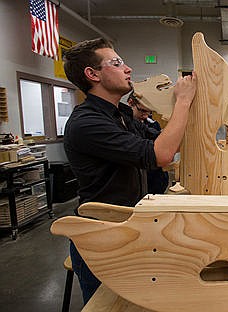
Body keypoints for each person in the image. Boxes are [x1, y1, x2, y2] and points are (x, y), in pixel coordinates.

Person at [62, 38, 196, 304]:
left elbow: (169, 142)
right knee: (109, 305)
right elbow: (160, 155)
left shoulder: (120, 114)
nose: (128, 69)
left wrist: (176, 105)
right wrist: (182, 101)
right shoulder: (87, 122)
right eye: (116, 63)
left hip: (128, 229)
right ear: (93, 74)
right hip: (102, 238)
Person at [127, 91, 169, 194]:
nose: (146, 116)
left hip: (156, 182)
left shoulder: (153, 125)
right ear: (130, 102)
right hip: (136, 187)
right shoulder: (123, 125)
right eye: (142, 111)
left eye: (150, 112)